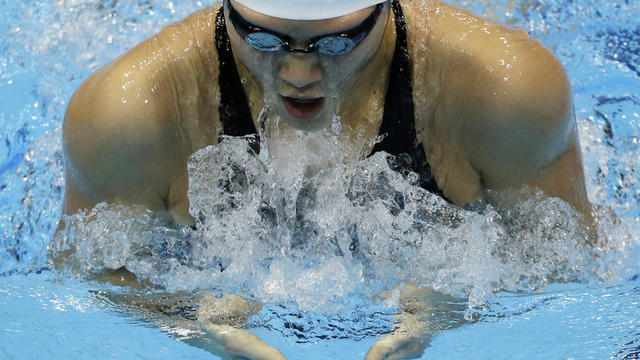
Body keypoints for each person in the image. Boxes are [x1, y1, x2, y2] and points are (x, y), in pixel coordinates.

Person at [61, 0, 590, 358]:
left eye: (337, 44)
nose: (298, 73)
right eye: (263, 39)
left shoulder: (504, 93)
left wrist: (452, 306)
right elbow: (89, 276)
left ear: (386, 11)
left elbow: (575, 264)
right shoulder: (127, 116)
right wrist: (186, 318)